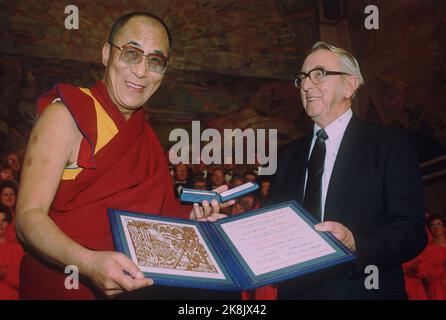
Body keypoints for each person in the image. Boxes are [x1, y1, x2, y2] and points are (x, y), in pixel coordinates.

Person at [16, 12, 234, 300]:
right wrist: (88, 262)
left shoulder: (146, 136)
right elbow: (28, 217)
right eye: (131, 53)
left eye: (155, 61)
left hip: (136, 284)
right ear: (107, 54)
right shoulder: (67, 115)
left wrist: (191, 217)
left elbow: (151, 218)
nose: (142, 71)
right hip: (67, 283)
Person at [267, 41, 426, 299]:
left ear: (349, 86)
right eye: (302, 78)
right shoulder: (287, 156)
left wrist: (356, 242)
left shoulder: (389, 143)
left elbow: (411, 231)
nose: (306, 85)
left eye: (318, 74)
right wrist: (223, 226)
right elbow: (271, 227)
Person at [417, 215, 446, 299]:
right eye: (432, 225)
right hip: (438, 293)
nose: (435, 227)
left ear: (444, 228)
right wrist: (443, 268)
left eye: (438, 224)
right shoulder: (427, 251)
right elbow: (425, 275)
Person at [0, 204, 24, 300]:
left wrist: (4, 274)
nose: (0, 224)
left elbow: (23, 282)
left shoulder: (17, 249)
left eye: (3, 220)